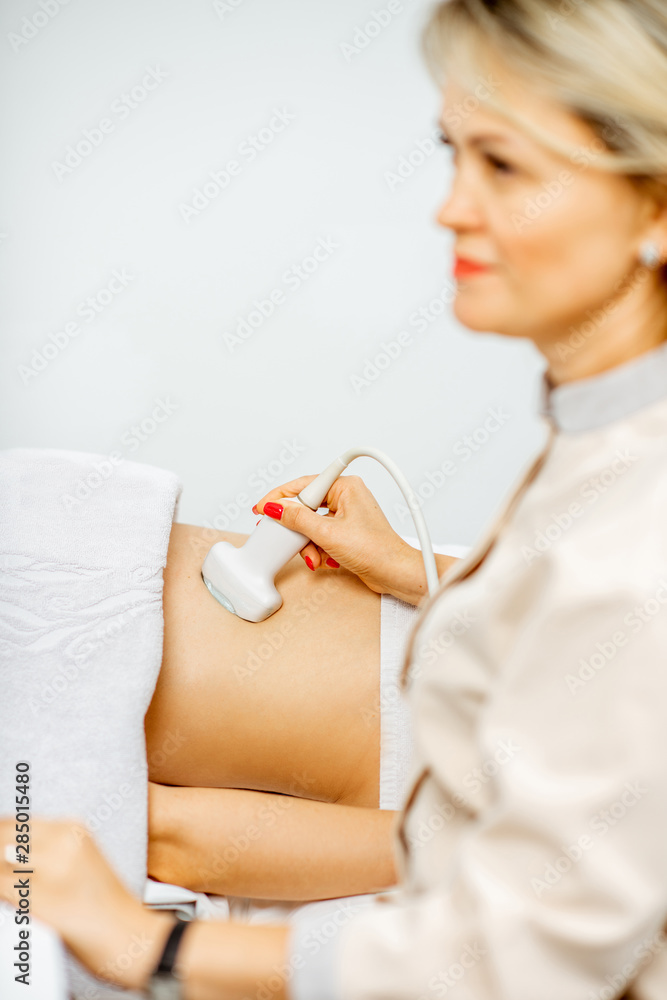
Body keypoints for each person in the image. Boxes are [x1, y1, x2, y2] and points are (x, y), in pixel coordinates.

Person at [4, 0, 667, 996]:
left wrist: (154, 948)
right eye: (454, 154)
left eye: (504, 166)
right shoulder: (603, 434)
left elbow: (523, 951)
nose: (450, 206)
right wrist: (418, 572)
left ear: (654, 207)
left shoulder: (632, 516)